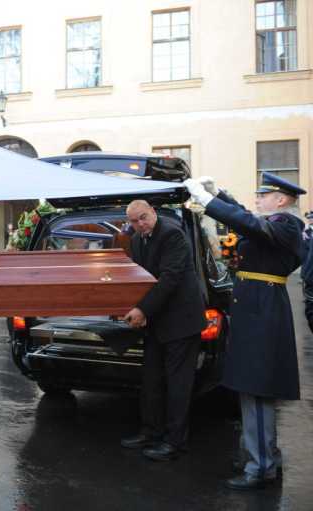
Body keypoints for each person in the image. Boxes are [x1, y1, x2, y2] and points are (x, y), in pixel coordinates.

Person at [185, 173, 304, 490]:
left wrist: (206, 200)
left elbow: (250, 224)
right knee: (252, 387)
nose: (257, 199)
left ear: (280, 200)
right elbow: (247, 220)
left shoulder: (287, 224)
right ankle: (265, 457)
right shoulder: (276, 224)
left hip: (261, 312)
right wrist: (220, 194)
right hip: (257, 309)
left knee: (257, 387)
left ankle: (261, 466)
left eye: (263, 195)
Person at [120, 200, 206, 462]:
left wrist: (142, 310)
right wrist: (127, 304)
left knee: (178, 385)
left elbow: (169, 278)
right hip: (157, 320)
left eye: (143, 218)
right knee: (151, 381)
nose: (139, 224)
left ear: (153, 212)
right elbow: (139, 278)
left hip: (181, 322)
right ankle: (151, 431)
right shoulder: (136, 240)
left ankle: (174, 442)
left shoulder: (172, 234)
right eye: (134, 221)